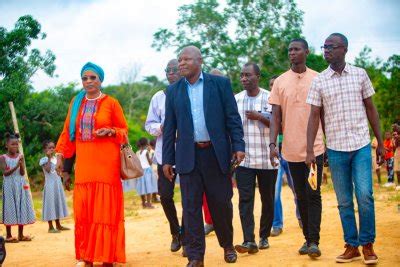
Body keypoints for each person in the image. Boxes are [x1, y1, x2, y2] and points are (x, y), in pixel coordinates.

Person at [163, 46, 245, 266]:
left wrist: (238, 145)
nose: (181, 63)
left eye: (186, 59)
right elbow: (170, 128)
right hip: (188, 156)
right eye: (179, 60)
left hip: (216, 154)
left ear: (199, 61)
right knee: (190, 208)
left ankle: (227, 245)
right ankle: (196, 256)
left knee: (221, 203)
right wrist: (167, 159)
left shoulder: (220, 84)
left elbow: (232, 118)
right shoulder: (173, 91)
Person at [306, 33, 384, 265]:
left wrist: (379, 142)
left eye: (331, 46)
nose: (326, 50)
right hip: (336, 149)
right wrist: (310, 149)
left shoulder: (360, 74)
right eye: (324, 47)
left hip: (360, 145)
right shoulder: (319, 80)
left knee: (365, 196)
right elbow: (313, 117)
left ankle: (367, 245)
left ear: (345, 49)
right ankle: (351, 245)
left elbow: (371, 109)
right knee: (344, 201)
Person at [56, 62, 128, 266]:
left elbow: (123, 130)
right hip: (85, 166)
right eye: (85, 78)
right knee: (85, 212)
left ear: (101, 80)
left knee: (104, 212)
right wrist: (62, 157)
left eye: (93, 77)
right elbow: (67, 133)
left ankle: (106, 257)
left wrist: (111, 131)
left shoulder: (111, 103)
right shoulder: (76, 103)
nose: (88, 81)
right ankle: (86, 257)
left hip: (107, 165)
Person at [269, 38, 325, 258]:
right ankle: (307, 239)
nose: (292, 53)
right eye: (290, 50)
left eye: (296, 49)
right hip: (291, 151)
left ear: (307, 52)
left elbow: (324, 114)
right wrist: (273, 144)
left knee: (313, 193)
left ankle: (314, 241)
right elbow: (275, 116)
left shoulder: (318, 79)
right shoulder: (281, 82)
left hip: (316, 149)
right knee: (300, 195)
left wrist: (328, 143)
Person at [233, 63, 277, 255]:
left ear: (258, 76)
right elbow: (232, 128)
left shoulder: (270, 97)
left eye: (248, 75)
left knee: (267, 200)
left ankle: (264, 236)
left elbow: (279, 124)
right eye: (242, 75)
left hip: (268, 159)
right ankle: (248, 240)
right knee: (245, 200)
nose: (244, 78)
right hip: (245, 160)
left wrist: (260, 116)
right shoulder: (236, 100)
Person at [145, 59, 185, 254]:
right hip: (164, 155)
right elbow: (149, 124)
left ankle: (187, 234)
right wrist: (161, 127)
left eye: (174, 70)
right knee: (166, 196)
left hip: (187, 154)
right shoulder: (158, 97)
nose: (171, 73)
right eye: (167, 70)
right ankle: (175, 232)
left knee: (189, 197)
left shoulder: (189, 93)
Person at [269, 75, 302, 237]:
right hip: (274, 152)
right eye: (270, 86)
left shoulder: (290, 103)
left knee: (297, 189)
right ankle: (276, 224)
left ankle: (302, 216)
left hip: (291, 151)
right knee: (274, 191)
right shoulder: (267, 105)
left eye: (275, 85)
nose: (273, 88)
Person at [0, 133, 35, 243]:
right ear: (7, 145)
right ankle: (9, 235)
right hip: (9, 185)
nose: (15, 146)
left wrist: (21, 164)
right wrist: (16, 165)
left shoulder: (20, 156)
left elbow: (22, 172)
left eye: (16, 144)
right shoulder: (2, 157)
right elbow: (5, 173)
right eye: (12, 144)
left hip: (20, 184)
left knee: (21, 206)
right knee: (10, 207)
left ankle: (20, 235)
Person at [40, 140, 70, 233]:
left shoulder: (57, 159)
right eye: (50, 148)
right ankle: (50, 227)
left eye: (53, 147)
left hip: (57, 185)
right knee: (50, 205)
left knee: (56, 203)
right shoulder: (44, 160)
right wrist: (48, 157)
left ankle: (58, 225)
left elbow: (61, 170)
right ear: (45, 149)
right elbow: (48, 170)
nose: (52, 149)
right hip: (49, 186)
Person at [135, 138, 158, 209]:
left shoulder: (138, 152)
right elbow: (150, 162)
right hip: (147, 170)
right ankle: (148, 203)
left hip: (141, 171)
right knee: (149, 187)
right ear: (146, 143)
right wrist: (152, 158)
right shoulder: (146, 152)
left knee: (142, 187)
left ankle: (143, 203)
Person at [393, 124, 400, 190]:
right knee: (397, 169)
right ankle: (399, 184)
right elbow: (395, 146)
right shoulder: (395, 137)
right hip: (397, 152)